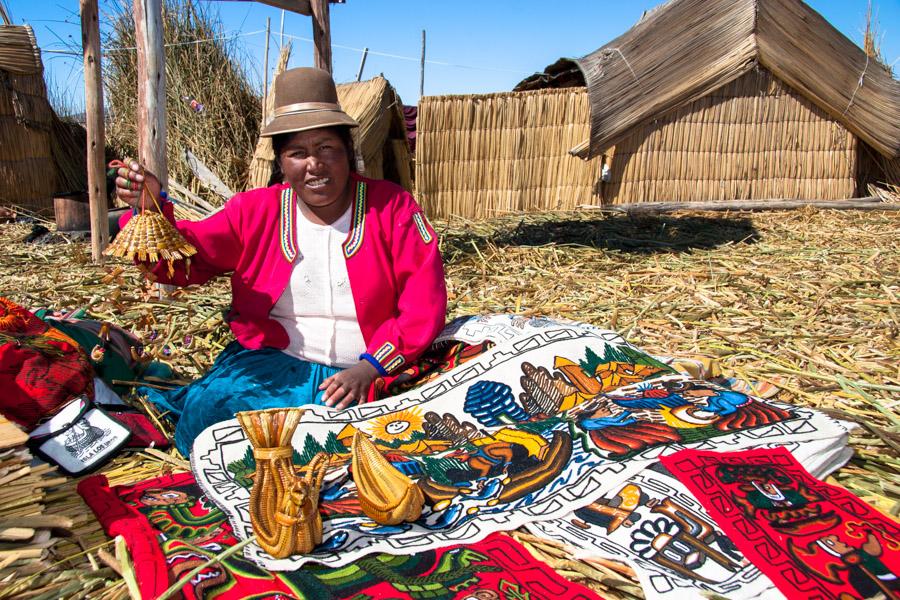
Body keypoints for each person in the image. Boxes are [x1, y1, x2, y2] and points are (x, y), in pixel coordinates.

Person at [114, 68, 447, 457]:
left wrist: (371, 368)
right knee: (208, 416)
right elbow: (187, 260)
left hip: (368, 369)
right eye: (298, 153)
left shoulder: (392, 208)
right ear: (281, 163)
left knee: (358, 445)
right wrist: (150, 207)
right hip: (275, 365)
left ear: (348, 153)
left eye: (326, 148)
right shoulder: (254, 211)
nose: (314, 165)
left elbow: (423, 303)